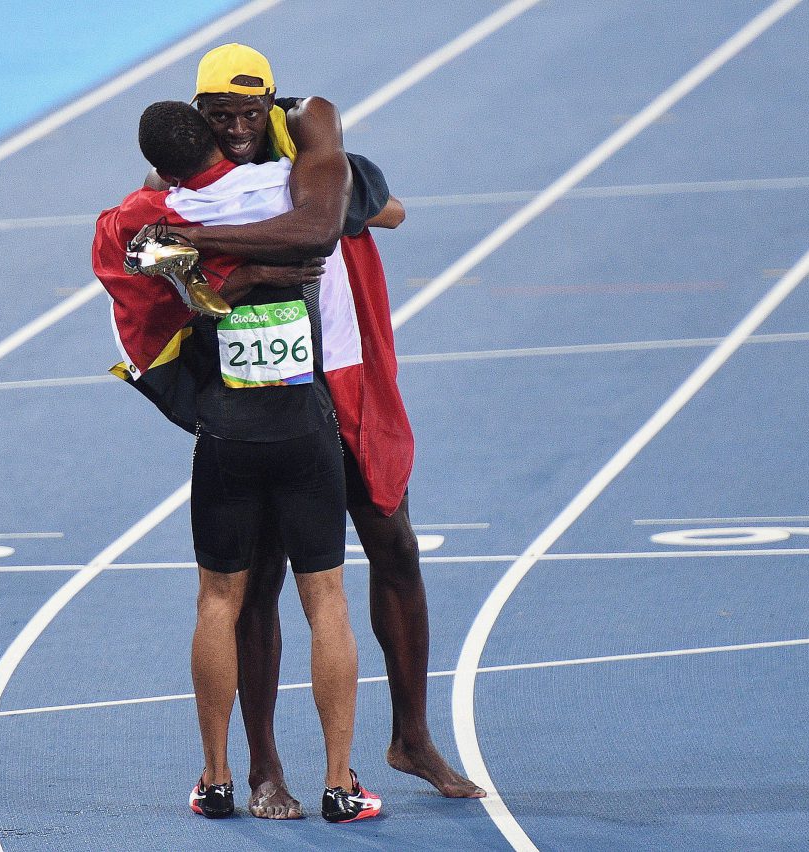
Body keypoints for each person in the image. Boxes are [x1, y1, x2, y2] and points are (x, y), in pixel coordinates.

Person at [144, 44, 485, 818]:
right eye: (216, 115)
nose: (233, 128)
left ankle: (412, 738)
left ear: (269, 102)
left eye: (244, 112)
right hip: (267, 391)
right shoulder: (179, 179)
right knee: (257, 579)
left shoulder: (310, 127)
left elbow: (325, 224)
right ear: (197, 116)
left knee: (392, 540)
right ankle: (264, 768)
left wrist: (206, 242)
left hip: (348, 366)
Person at [93, 100, 382, 823]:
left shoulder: (156, 226)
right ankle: (341, 785)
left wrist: (233, 278)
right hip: (303, 430)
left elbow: (185, 301)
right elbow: (373, 213)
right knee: (328, 603)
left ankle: (218, 779)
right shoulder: (291, 190)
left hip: (226, 431)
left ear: (162, 167)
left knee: (219, 602)